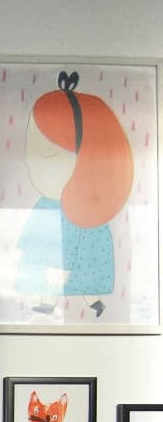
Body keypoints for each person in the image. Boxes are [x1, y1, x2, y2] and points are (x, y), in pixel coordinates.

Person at [15, 70, 134, 318]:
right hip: (55, 257)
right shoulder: (46, 206)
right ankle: (57, 302)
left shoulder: (86, 213)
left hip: (72, 260)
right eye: (29, 152)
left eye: (47, 155)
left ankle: (92, 302)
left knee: (77, 276)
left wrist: (61, 265)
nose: (28, 161)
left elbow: (70, 249)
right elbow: (39, 238)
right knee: (49, 273)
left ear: (84, 160)